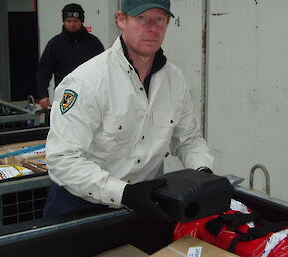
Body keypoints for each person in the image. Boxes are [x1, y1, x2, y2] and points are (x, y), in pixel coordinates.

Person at [43, 0, 213, 222]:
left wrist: (203, 173)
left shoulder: (175, 80)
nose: (152, 28)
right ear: (121, 20)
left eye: (160, 19)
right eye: (142, 18)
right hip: (78, 207)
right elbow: (62, 159)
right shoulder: (86, 82)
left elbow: (188, 140)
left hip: (140, 205)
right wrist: (123, 193)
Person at [36, 3, 105, 110]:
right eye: (69, 21)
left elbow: (104, 70)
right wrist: (42, 95)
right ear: (64, 21)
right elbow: (44, 71)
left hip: (90, 96)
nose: (72, 24)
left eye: (75, 21)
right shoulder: (55, 44)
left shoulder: (94, 43)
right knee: (65, 124)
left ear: (81, 21)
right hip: (65, 96)